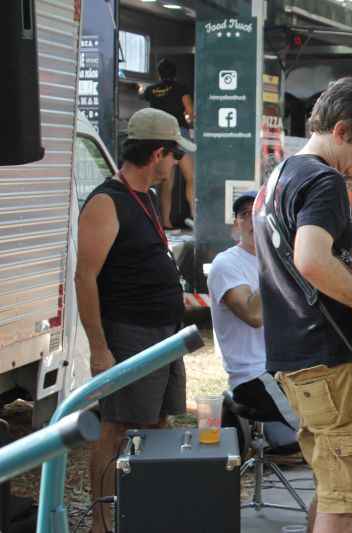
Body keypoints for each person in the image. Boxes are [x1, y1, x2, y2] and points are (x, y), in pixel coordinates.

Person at [253, 78, 352, 533]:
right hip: (330, 361)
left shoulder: (281, 174)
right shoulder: (325, 181)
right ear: (340, 131)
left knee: (331, 486)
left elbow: (300, 259)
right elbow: (311, 261)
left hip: (298, 358)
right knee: (345, 499)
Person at [75, 108, 195, 533]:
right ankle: (101, 522)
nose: (177, 163)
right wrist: (99, 348)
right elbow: (84, 276)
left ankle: (140, 512)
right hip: (130, 335)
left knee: (158, 424)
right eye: (175, 154)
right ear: (157, 152)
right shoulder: (108, 201)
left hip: (164, 334)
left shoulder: (143, 197)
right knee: (117, 427)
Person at [207, 191, 299, 428]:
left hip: (288, 368)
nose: (251, 220)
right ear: (236, 223)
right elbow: (253, 315)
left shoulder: (288, 257)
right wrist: (274, 263)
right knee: (319, 428)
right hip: (254, 377)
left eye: (258, 212)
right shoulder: (226, 263)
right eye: (245, 214)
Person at [143, 58, 196, 227]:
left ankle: (165, 222)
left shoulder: (151, 90)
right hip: (180, 134)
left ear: (159, 73)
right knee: (191, 177)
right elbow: (190, 112)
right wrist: (191, 122)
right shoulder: (181, 89)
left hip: (160, 137)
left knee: (166, 182)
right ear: (175, 73)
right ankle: (195, 217)